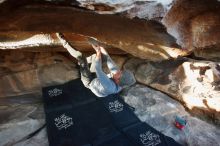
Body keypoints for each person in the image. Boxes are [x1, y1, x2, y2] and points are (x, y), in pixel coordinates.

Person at [56, 33, 136, 97]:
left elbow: (98, 68)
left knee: (81, 56)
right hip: (99, 80)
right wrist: (98, 46)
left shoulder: (110, 86)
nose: (119, 71)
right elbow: (108, 58)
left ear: (118, 81)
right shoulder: (120, 78)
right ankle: (82, 63)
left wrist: (98, 52)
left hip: (90, 82)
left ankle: (64, 42)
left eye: (120, 73)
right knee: (95, 57)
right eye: (121, 71)